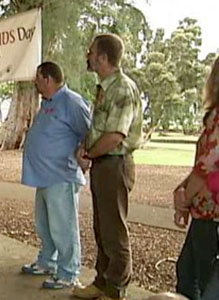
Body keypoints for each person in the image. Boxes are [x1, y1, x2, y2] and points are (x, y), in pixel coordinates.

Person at [74, 34, 143, 300]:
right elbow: (100, 129)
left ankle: (115, 289)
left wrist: (89, 154)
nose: (87, 56)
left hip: (115, 164)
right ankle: (102, 282)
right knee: (102, 227)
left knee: (114, 229)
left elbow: (115, 135)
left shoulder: (122, 89)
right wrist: (89, 150)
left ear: (102, 57)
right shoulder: (105, 88)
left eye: (90, 52)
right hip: (104, 163)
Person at [20, 62, 91, 289]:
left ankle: (69, 272)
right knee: (45, 224)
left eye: (38, 79)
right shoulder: (49, 102)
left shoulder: (71, 102)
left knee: (63, 226)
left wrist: (83, 156)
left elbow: (88, 132)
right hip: (44, 176)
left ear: (48, 79)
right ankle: (47, 261)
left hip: (61, 175)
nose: (36, 84)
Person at [173, 56, 219, 300]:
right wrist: (183, 190)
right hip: (205, 213)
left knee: (201, 279)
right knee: (189, 272)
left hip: (212, 216)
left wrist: (183, 198)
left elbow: (208, 163)